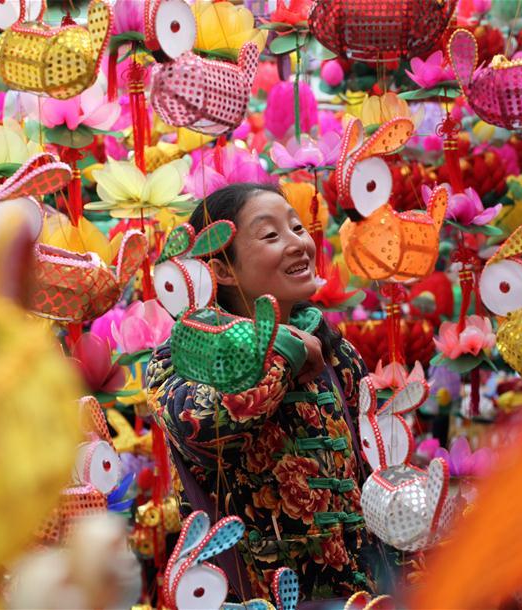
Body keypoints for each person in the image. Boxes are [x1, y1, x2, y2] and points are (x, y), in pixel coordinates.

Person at [145, 183, 390, 602]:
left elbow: (372, 471)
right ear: (221, 269)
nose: (297, 244)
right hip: (251, 595)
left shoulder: (337, 351)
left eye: (296, 228)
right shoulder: (180, 357)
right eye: (271, 235)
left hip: (357, 595)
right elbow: (204, 427)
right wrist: (283, 352)